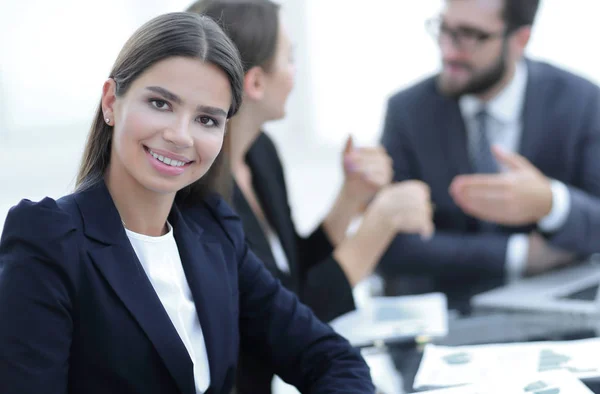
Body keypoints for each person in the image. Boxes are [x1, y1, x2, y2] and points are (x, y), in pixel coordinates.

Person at [0, 12, 376, 394]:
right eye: (161, 104)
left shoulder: (215, 230)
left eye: (207, 120)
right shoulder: (48, 239)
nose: (180, 136)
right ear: (112, 102)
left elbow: (332, 358)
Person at [186, 0, 435, 392]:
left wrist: (350, 199)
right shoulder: (199, 193)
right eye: (290, 58)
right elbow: (289, 319)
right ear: (254, 83)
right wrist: (380, 223)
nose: (295, 73)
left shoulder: (260, 152)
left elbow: (290, 278)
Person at [378, 0, 600, 313]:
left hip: (553, 322)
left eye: (471, 35)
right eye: (444, 29)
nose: (449, 50)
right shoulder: (407, 111)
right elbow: (390, 244)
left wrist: (551, 202)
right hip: (443, 319)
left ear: (519, 40)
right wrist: (518, 254)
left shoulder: (581, 101)